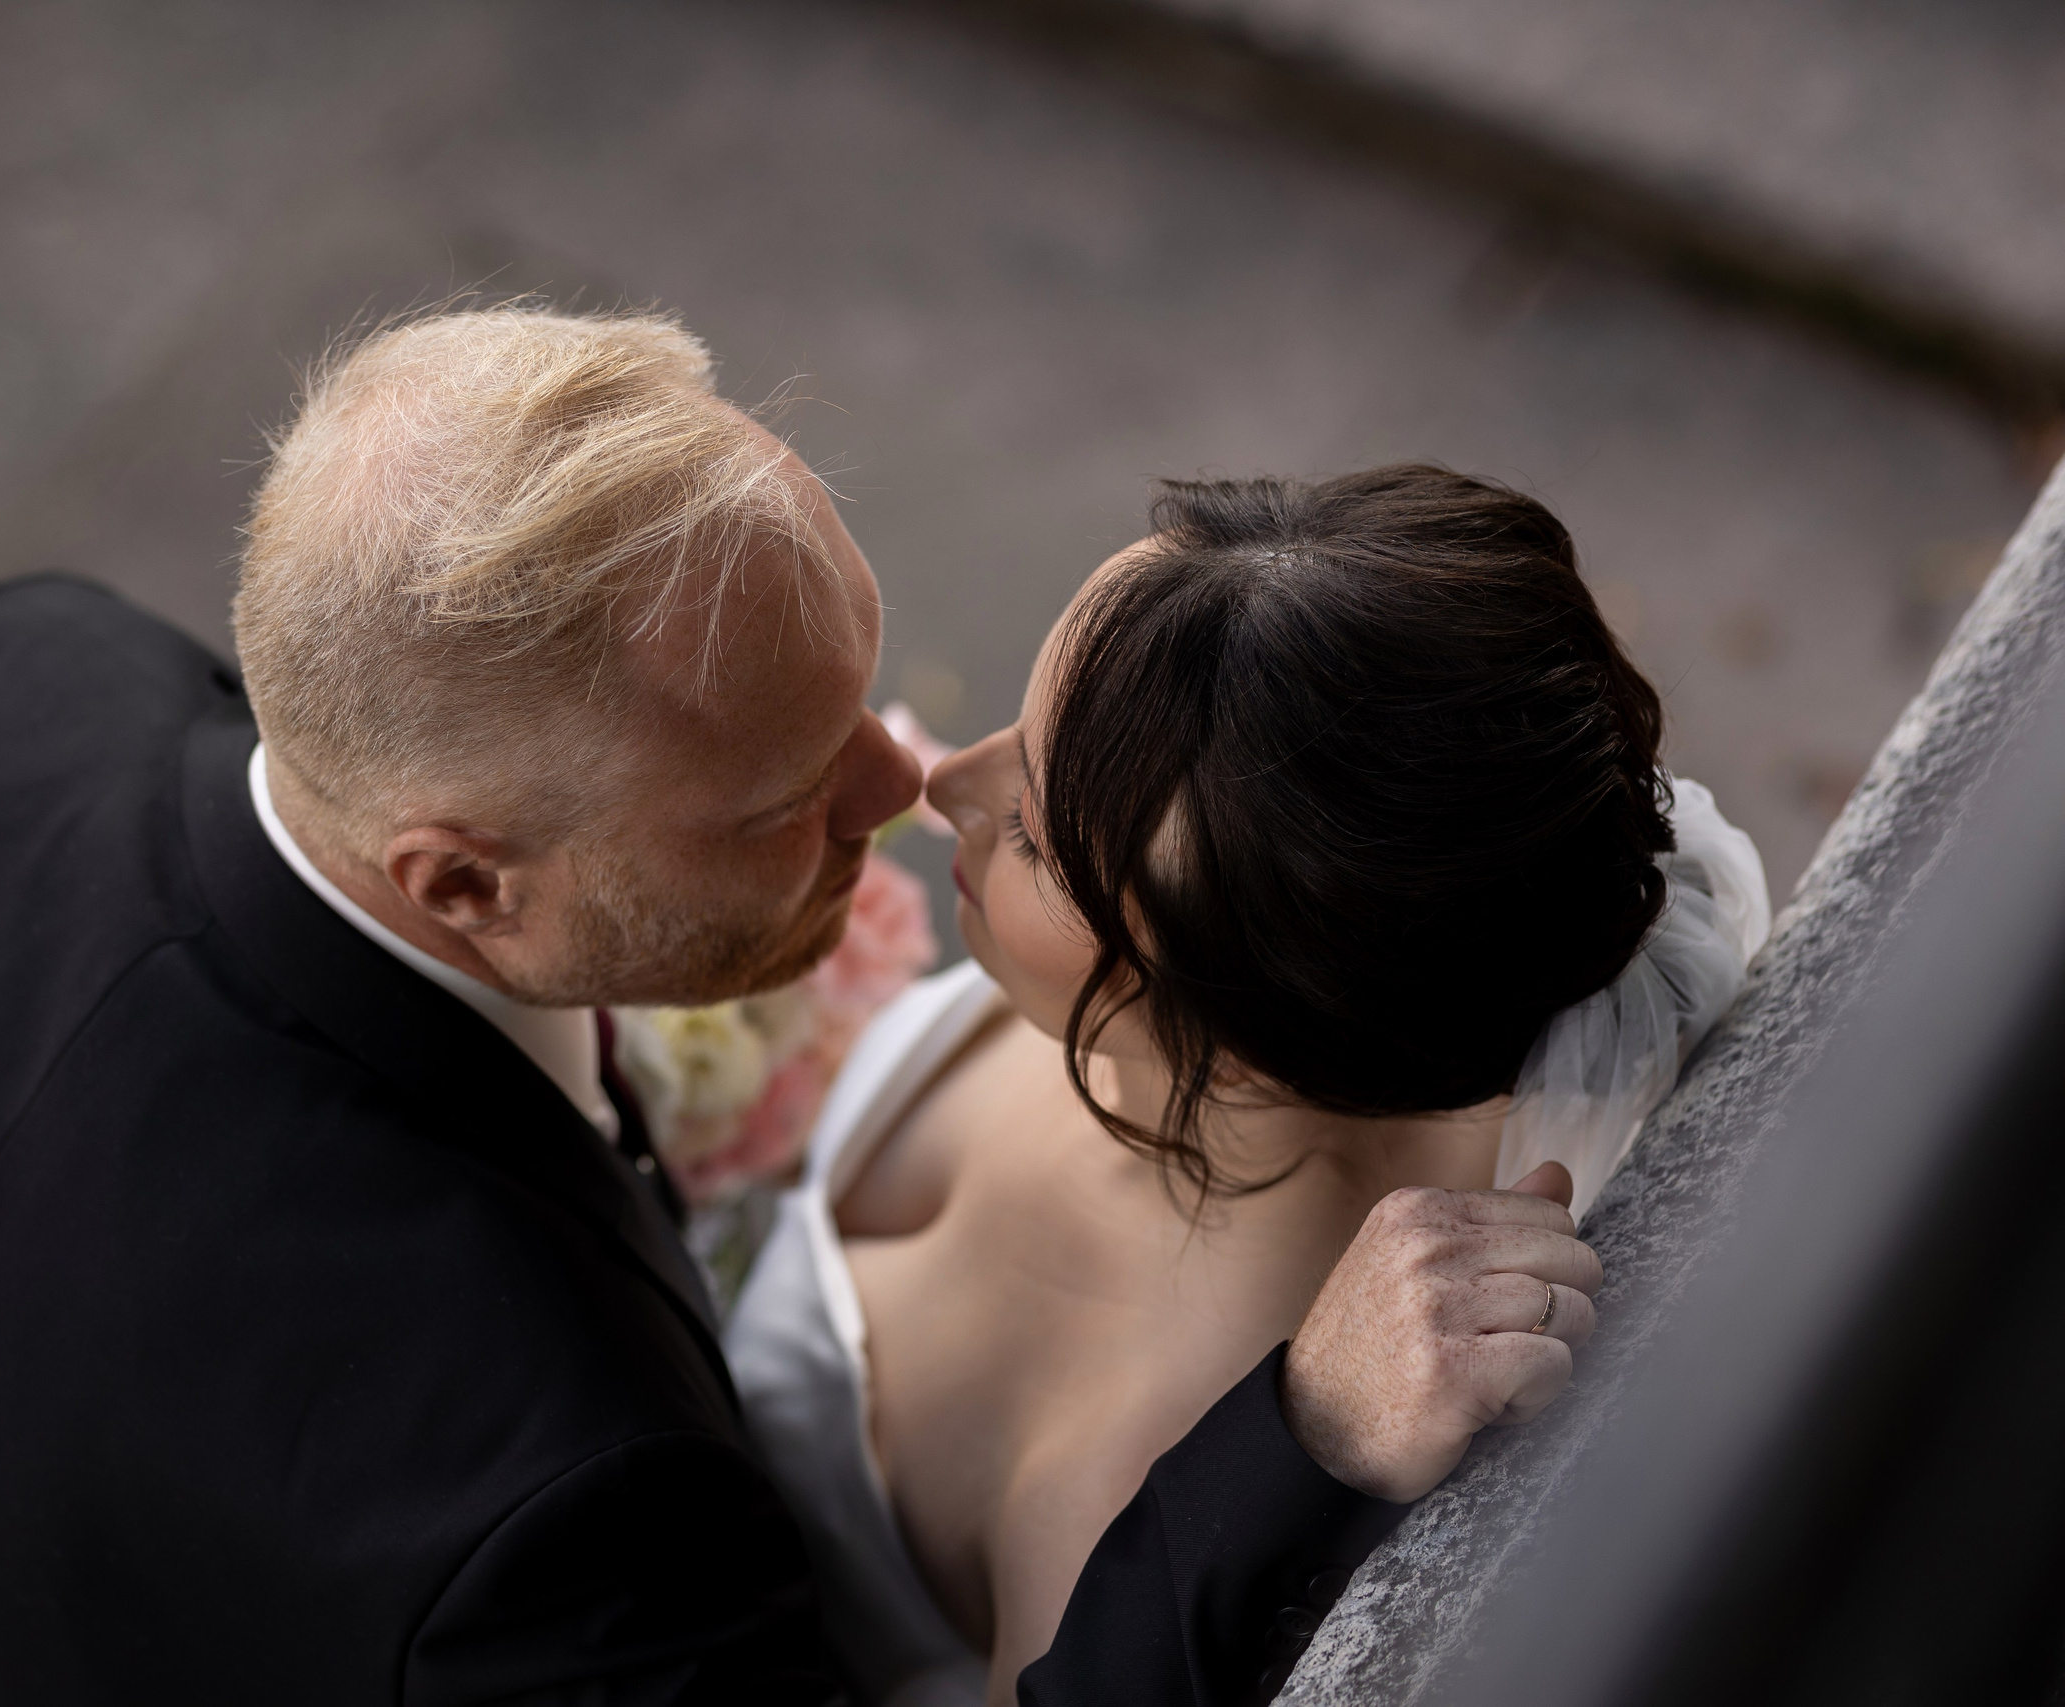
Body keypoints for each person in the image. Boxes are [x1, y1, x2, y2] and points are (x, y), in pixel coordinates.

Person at [0, 307, 1610, 1706]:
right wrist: (1301, 1448)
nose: (905, 782)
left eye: (859, 697)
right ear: (466, 886)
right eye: (776, 801)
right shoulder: (549, 1516)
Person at [726, 466, 1771, 1706]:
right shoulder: (1168, 1001)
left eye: (1034, 839)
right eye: (1020, 730)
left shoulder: (1118, 1501)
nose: (943, 785)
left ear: (1241, 1032)